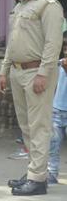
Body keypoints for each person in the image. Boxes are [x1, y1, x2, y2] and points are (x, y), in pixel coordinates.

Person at [0, 0, 63, 196]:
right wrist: (4, 71)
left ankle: (37, 179)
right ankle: (36, 171)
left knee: (39, 126)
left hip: (36, 72)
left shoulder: (49, 5)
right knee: (26, 126)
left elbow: (53, 44)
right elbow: (13, 43)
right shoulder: (20, 5)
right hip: (17, 71)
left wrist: (44, 73)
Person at [48, 33, 67, 185]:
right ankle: (52, 174)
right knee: (53, 145)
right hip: (56, 110)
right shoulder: (59, 64)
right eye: (65, 47)